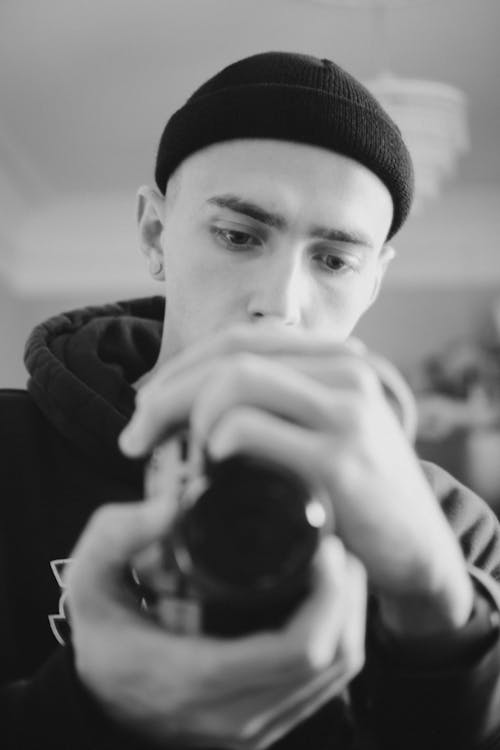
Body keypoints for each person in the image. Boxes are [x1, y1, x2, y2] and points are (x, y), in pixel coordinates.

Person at [2, 51, 500, 750]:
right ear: (155, 235)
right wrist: (81, 713)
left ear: (374, 282)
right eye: (238, 236)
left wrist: (439, 613)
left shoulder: (456, 529)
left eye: (333, 260)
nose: (280, 304)